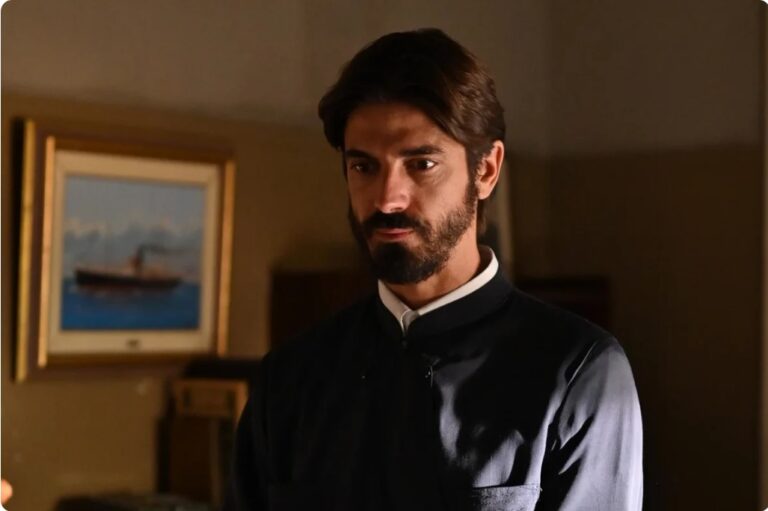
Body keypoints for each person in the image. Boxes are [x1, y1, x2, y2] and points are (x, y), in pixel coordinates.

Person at [226, 28, 642, 511]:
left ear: (486, 171)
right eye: (364, 167)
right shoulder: (290, 378)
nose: (388, 199)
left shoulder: (578, 372)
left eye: (421, 164)